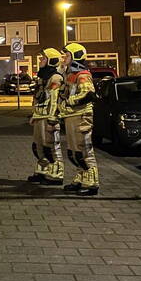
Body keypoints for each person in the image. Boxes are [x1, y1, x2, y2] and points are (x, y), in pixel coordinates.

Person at [58, 42, 100, 196]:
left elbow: (87, 94)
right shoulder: (70, 75)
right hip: (71, 115)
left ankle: (92, 183)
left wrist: (69, 101)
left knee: (84, 150)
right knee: (74, 151)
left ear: (75, 57)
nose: (64, 58)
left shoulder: (83, 75)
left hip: (81, 115)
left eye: (67, 55)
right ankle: (80, 178)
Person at [27, 48, 64, 186]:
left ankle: (56, 175)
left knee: (51, 148)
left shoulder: (55, 78)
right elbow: (39, 98)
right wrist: (34, 115)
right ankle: (43, 171)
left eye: (43, 59)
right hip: (40, 117)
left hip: (48, 118)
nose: (40, 61)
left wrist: (52, 119)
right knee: (38, 146)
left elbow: (54, 101)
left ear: (51, 61)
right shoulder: (43, 77)